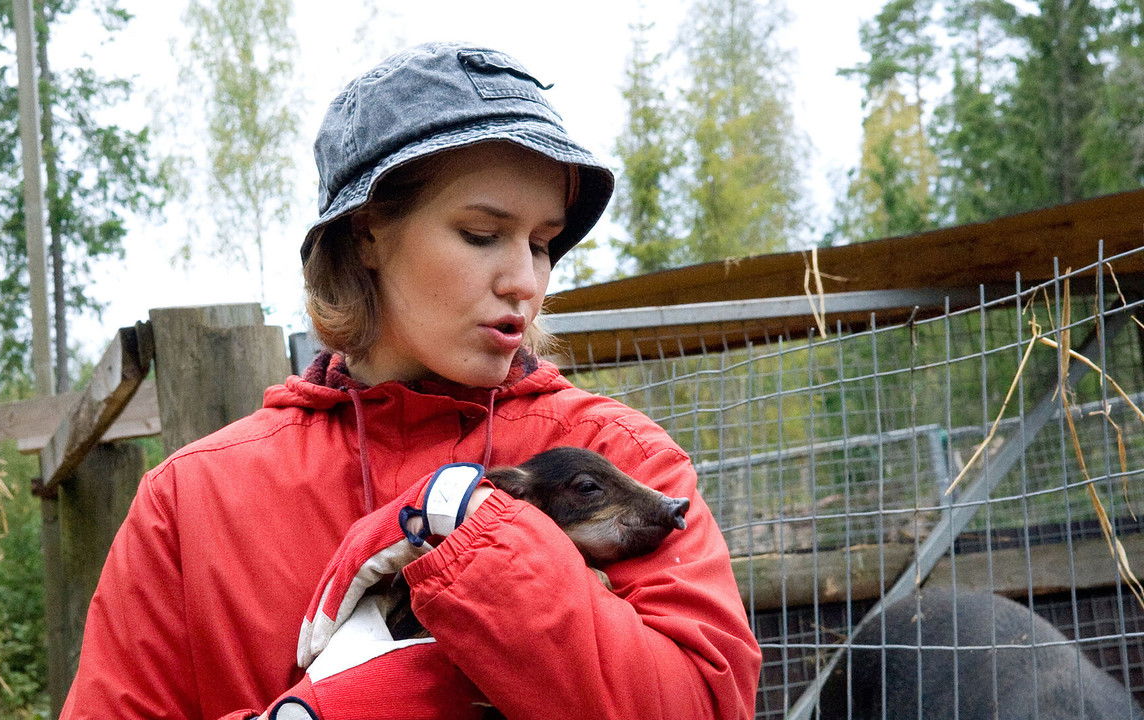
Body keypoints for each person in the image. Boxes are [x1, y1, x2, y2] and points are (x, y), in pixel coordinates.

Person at [60, 41, 761, 720]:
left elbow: (705, 705)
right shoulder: (193, 502)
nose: (524, 280)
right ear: (367, 234)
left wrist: (481, 536)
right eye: (481, 234)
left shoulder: (619, 456)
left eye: (542, 243)